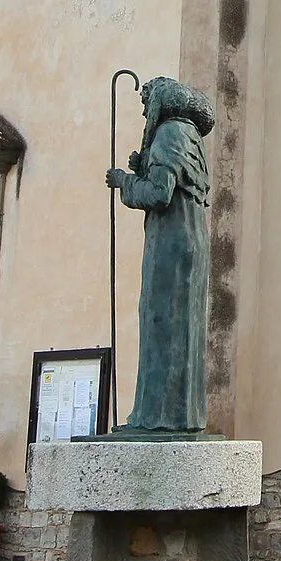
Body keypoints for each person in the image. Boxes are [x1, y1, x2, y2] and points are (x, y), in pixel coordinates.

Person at [105, 76, 215, 435]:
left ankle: (156, 417)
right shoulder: (188, 137)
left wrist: (124, 181)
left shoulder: (168, 134)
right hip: (188, 242)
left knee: (161, 324)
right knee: (181, 327)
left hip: (170, 244)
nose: (143, 110)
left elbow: (158, 194)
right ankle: (181, 415)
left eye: (146, 101)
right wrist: (144, 165)